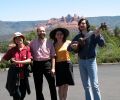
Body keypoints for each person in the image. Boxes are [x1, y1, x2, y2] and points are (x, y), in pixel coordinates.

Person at [68, 18, 105, 100]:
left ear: (87, 25)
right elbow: (69, 48)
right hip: (81, 62)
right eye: (80, 23)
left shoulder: (93, 34)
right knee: (86, 86)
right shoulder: (77, 37)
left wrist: (98, 35)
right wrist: (72, 46)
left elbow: (102, 44)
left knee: (94, 85)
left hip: (91, 61)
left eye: (83, 23)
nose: (82, 24)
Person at [1, 32, 32, 100]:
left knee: (23, 94)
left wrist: (17, 62)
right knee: (17, 95)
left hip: (24, 75)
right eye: (16, 39)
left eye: (20, 38)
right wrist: (10, 61)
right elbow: (3, 60)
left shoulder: (27, 48)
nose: (18, 40)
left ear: (23, 39)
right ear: (15, 40)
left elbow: (29, 60)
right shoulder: (12, 50)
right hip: (14, 75)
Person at [29, 26, 57, 100]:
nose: (42, 32)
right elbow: (26, 51)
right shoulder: (32, 42)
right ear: (37, 32)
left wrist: (53, 68)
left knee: (52, 85)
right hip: (36, 64)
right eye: (40, 31)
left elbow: (53, 56)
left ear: (45, 32)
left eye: (43, 31)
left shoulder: (49, 42)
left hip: (47, 64)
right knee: (38, 86)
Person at [49, 28, 74, 100]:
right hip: (59, 65)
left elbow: (76, 48)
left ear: (63, 35)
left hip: (68, 64)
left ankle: (64, 99)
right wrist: (53, 68)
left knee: (66, 84)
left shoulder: (68, 42)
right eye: (58, 34)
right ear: (55, 36)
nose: (59, 35)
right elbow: (52, 56)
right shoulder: (53, 44)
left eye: (61, 34)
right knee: (60, 85)